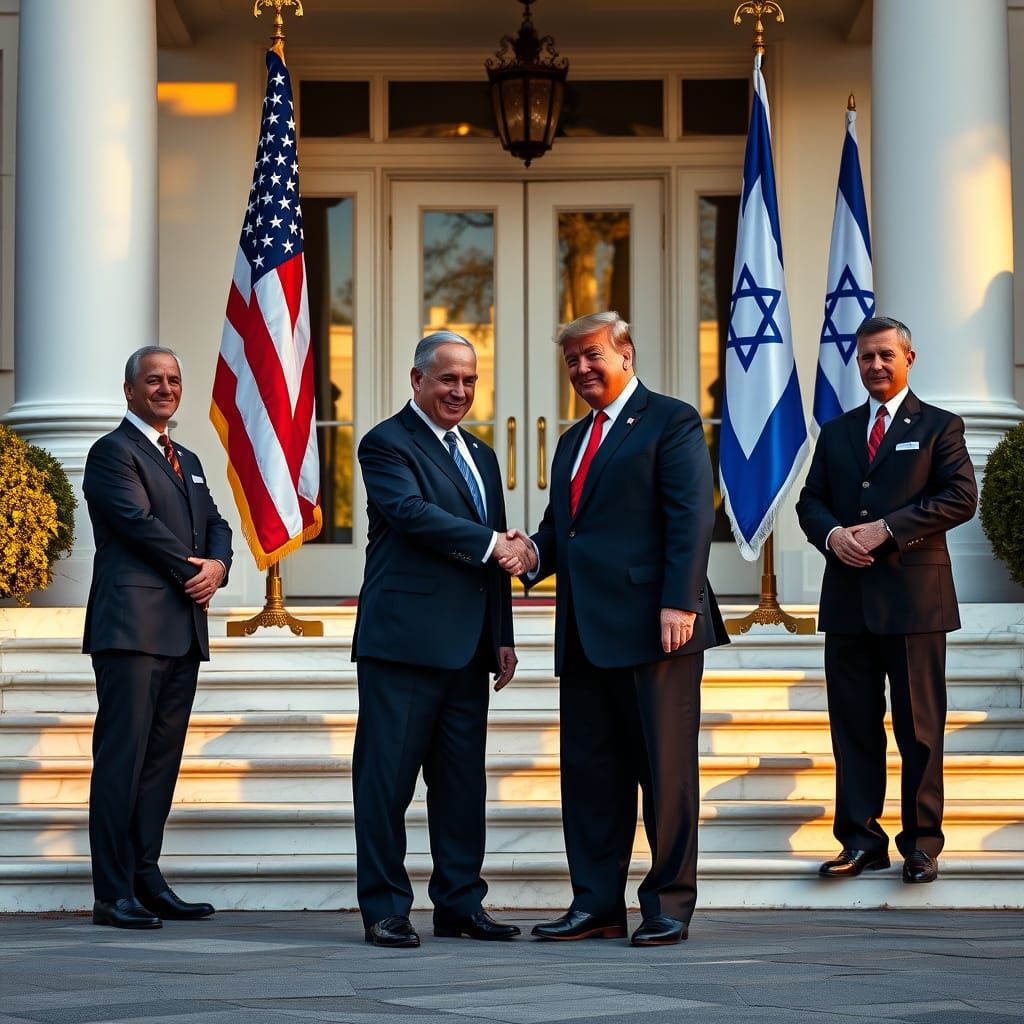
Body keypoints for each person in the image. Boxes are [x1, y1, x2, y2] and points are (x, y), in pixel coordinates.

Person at [508, 310, 728, 946]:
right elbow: (563, 530)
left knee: (665, 775)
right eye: (572, 360)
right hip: (584, 631)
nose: (581, 369)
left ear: (625, 354)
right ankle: (596, 905)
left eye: (593, 355)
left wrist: (680, 602)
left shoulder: (672, 420)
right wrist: (529, 555)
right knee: (591, 777)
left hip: (657, 627)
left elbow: (690, 515)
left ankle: (668, 905)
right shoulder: (572, 441)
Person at [351, 330, 530, 948]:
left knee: (460, 786)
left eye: (469, 380)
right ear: (417, 380)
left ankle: (459, 904)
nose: (459, 390)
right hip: (402, 644)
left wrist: (502, 634)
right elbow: (411, 514)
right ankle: (385, 908)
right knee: (386, 783)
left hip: (468, 648)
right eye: (447, 378)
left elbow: (492, 552)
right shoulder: (386, 443)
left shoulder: (480, 454)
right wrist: (494, 543)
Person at [796, 315, 978, 884]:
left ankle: (921, 844)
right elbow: (810, 501)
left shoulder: (941, 425)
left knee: (919, 729)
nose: (875, 365)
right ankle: (860, 841)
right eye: (866, 357)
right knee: (853, 726)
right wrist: (832, 535)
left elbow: (960, 497)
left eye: (885, 355)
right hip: (848, 600)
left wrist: (888, 529)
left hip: (914, 601)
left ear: (908, 359)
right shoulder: (838, 431)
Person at [83, 346, 232, 929]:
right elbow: (137, 524)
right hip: (132, 628)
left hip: (182, 629)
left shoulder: (187, 458)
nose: (166, 388)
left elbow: (216, 523)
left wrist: (218, 566)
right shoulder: (112, 452)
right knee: (122, 760)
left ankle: (146, 877)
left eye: (173, 379)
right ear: (130, 390)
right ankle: (111, 892)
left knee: (160, 764)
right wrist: (196, 571)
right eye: (153, 380)